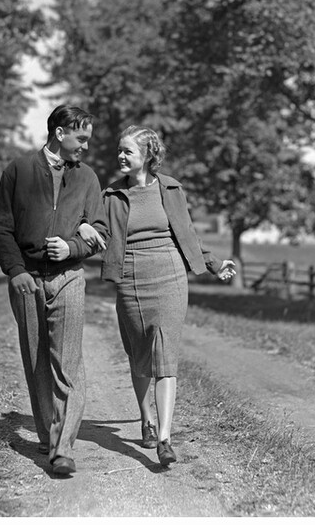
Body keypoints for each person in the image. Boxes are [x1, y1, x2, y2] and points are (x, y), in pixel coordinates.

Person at [80, 125, 235, 467]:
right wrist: (83, 229)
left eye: (127, 152)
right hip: (131, 276)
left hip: (169, 274)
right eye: (119, 151)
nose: (120, 156)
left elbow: (187, 232)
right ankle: (145, 417)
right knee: (140, 356)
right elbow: (99, 230)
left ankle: (164, 438)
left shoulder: (171, 188)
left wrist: (213, 263)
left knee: (165, 356)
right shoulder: (111, 196)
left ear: (148, 155)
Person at [0, 105, 108, 477]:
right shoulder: (19, 171)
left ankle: (62, 447)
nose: (86, 146)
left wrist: (72, 248)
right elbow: (2, 228)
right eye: (81, 138)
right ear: (60, 133)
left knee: (67, 361)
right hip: (27, 279)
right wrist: (15, 271)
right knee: (37, 357)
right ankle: (47, 434)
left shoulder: (88, 178)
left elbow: (100, 233)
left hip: (69, 276)